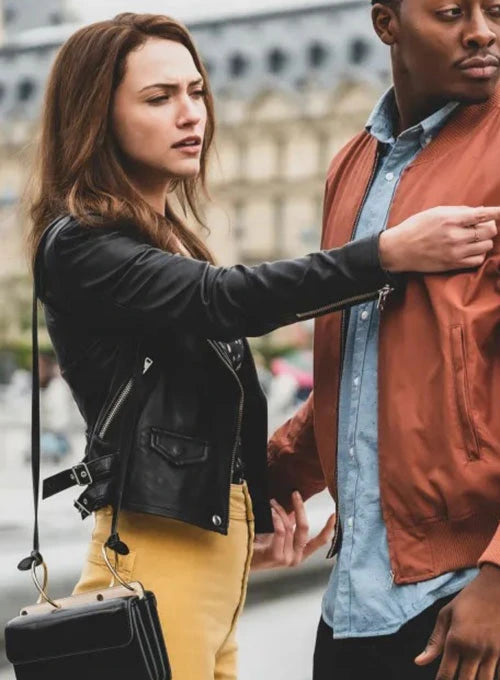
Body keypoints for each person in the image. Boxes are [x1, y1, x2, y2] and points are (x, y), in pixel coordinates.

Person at [28, 12, 498, 680]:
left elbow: (268, 387)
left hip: (213, 573)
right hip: (161, 566)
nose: (191, 115)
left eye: (197, 92)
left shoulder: (162, 243)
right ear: (94, 118)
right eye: (160, 99)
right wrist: (387, 254)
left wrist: (259, 504)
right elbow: (229, 298)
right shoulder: (82, 245)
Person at [266, 1, 500, 679]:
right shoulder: (353, 165)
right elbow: (356, 376)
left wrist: (496, 578)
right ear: (387, 23)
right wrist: (253, 480)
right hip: (355, 603)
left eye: (494, 9)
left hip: (466, 600)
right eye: (452, 11)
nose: (483, 31)